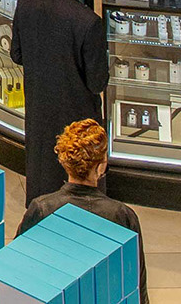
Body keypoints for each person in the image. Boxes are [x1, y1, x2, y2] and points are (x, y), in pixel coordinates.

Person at [10, 0, 110, 203]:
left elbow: (17, 54)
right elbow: (96, 82)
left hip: (39, 114)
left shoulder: (27, 0)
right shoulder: (88, 22)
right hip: (78, 123)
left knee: (42, 182)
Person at [18, 119, 149, 304]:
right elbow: (137, 281)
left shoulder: (42, 209)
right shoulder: (122, 215)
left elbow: (18, 269)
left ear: (64, 161)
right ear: (101, 165)